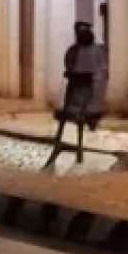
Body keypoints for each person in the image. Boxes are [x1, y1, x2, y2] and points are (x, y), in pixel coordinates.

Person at [44, 21, 108, 168]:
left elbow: (73, 71)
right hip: (79, 98)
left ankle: (72, 143)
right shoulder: (77, 51)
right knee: (71, 110)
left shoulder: (87, 51)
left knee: (72, 111)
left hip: (82, 99)